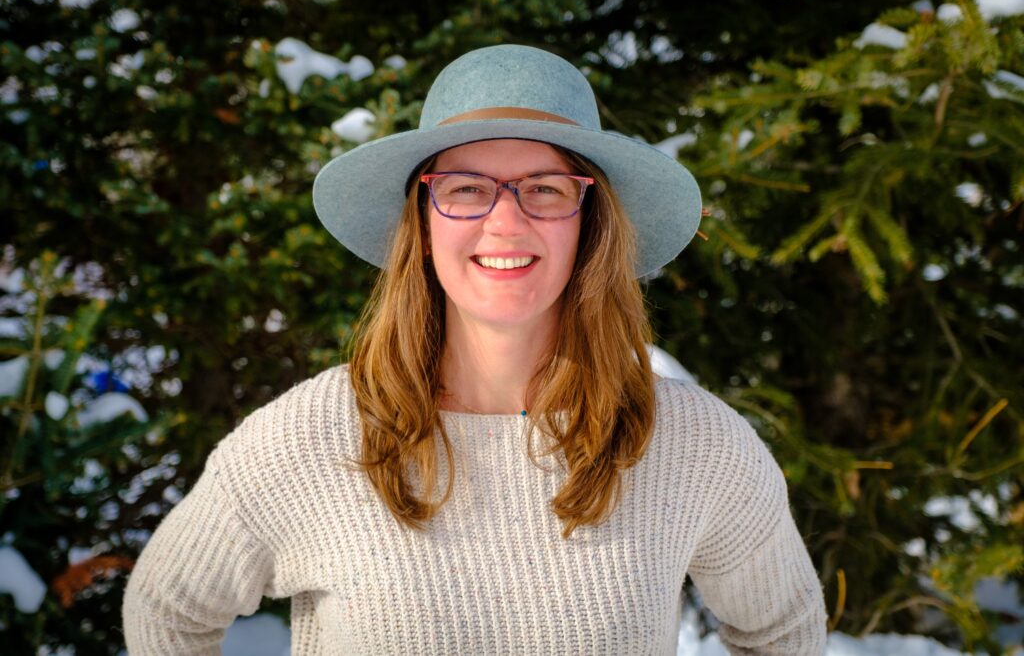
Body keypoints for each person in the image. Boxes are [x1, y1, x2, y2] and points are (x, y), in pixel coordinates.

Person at [122, 44, 827, 654]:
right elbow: (167, 609)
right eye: (466, 188)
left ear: (592, 224)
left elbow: (782, 635)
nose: (506, 220)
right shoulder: (312, 436)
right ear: (422, 223)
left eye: (545, 189)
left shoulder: (695, 445)